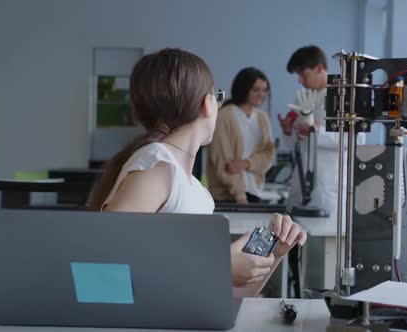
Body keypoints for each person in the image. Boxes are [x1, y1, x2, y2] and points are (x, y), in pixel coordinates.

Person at [87, 49, 306, 297]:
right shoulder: (158, 166)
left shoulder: (195, 190)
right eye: (217, 95)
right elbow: (103, 271)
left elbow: (229, 296)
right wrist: (219, 265)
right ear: (206, 103)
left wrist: (274, 253)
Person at [278, 45, 365, 217]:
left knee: (326, 239)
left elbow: (355, 140)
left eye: (304, 75)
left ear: (319, 68)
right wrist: (289, 131)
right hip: (301, 182)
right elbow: (294, 144)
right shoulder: (303, 98)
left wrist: (317, 132)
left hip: (328, 186)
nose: (300, 81)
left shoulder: (343, 96)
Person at [207, 67, 274, 204]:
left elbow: (268, 154)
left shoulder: (262, 118)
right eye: (256, 90)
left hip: (254, 192)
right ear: (244, 89)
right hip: (227, 197)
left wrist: (248, 163)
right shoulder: (224, 116)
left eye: (264, 90)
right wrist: (239, 194)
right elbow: (222, 160)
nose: (261, 94)